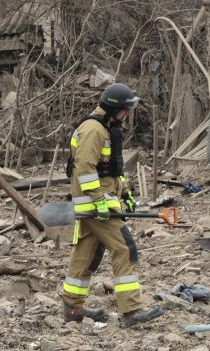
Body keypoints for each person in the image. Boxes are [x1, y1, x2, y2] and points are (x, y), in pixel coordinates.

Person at [61, 83, 163, 327]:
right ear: (112, 108)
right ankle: (131, 310)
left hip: (97, 206)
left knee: (86, 254)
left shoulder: (105, 128)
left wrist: (125, 193)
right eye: (124, 110)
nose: (126, 115)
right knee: (124, 249)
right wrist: (99, 201)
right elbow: (85, 168)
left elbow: (110, 169)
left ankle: (73, 309)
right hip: (97, 207)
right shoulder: (94, 130)